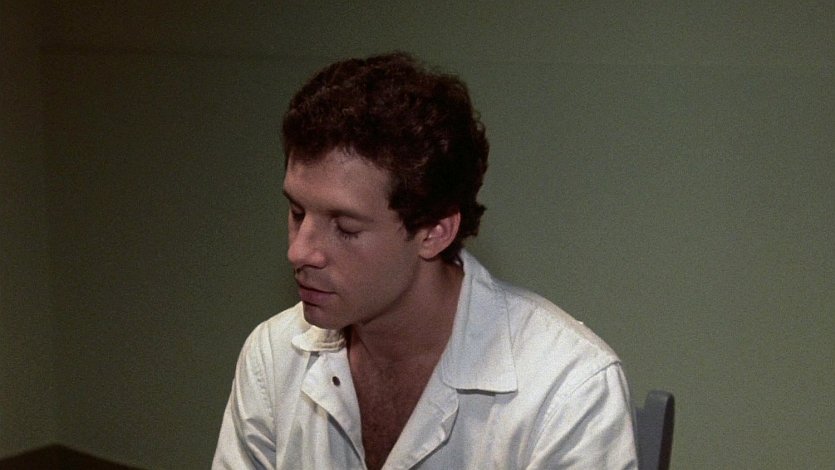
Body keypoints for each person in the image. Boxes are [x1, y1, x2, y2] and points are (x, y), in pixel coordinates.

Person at [213, 52, 638, 469]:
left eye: (345, 227)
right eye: (297, 212)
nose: (299, 252)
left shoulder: (568, 389)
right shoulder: (273, 356)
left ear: (434, 232)